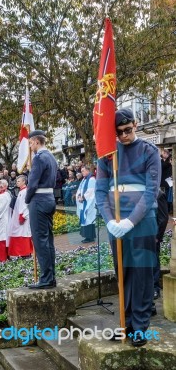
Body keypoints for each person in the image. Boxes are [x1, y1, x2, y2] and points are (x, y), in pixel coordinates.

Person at [95, 108, 161, 347]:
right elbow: (100, 192)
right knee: (122, 273)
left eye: (127, 130)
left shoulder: (148, 151)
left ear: (135, 124)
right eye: (119, 132)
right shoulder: (107, 156)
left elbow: (151, 190)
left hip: (142, 221)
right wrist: (110, 220)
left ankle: (140, 327)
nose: (123, 136)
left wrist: (130, 221)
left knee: (141, 274)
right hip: (116, 222)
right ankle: (126, 323)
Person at [25, 130, 57, 289]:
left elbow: (32, 184)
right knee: (48, 241)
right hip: (49, 198)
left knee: (40, 241)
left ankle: (46, 278)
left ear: (37, 141)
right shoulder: (51, 157)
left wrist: (26, 199)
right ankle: (51, 277)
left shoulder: (39, 158)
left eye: (30, 143)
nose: (30, 146)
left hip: (38, 200)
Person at [8, 175, 33, 257]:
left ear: (24, 182)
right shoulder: (21, 191)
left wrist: (23, 216)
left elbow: (27, 205)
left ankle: (26, 253)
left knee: (24, 234)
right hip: (19, 216)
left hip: (23, 217)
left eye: (18, 181)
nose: (17, 183)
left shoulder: (25, 191)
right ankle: (23, 253)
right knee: (20, 234)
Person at [76, 165, 97, 243]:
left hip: (89, 203)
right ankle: (87, 236)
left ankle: (90, 237)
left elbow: (91, 191)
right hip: (84, 202)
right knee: (85, 218)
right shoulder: (84, 180)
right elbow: (79, 189)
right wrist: (78, 196)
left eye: (83, 171)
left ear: (88, 170)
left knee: (89, 219)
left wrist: (83, 198)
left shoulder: (91, 179)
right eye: (81, 171)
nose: (82, 172)